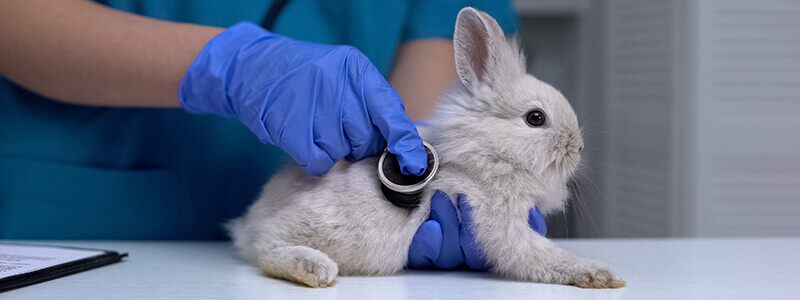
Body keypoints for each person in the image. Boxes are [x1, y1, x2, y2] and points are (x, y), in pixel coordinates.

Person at [0, 0, 519, 240]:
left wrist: (421, 198)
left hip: (317, 252)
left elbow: (423, 107)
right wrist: (229, 66)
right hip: (73, 223)